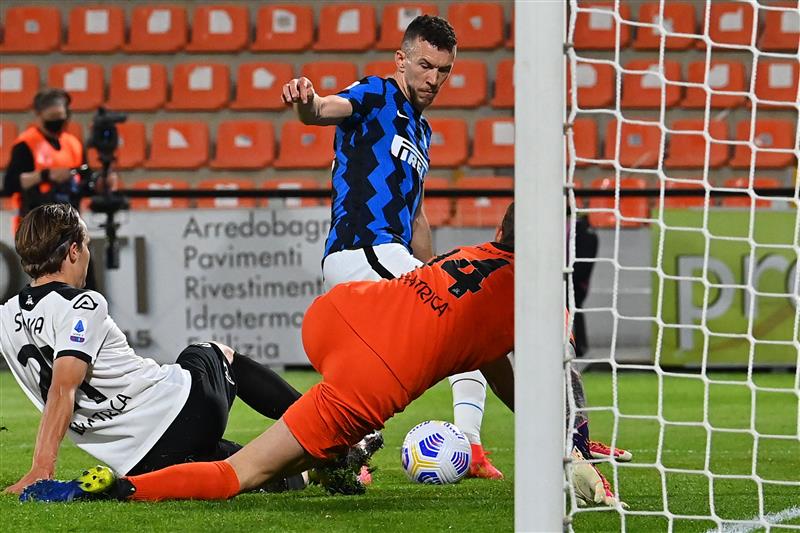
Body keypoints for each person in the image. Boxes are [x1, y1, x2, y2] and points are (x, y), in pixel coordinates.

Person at [20, 203, 626, 509]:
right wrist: (566, 447)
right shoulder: (540, 292)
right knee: (240, 473)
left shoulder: (473, 252)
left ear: (500, 232)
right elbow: (549, 379)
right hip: (373, 377)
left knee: (265, 459)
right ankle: (114, 491)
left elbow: (490, 354)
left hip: (337, 314)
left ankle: (325, 460)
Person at [280, 14, 502, 479]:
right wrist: (307, 102)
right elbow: (323, 110)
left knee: (371, 380)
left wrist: (433, 269)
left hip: (384, 257)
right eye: (425, 66)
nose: (433, 79)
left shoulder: (422, 132)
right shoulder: (377, 93)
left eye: (444, 71)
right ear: (401, 60)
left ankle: (329, 458)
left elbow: (416, 215)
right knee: (465, 323)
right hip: (363, 250)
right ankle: (474, 450)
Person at [0, 204, 306, 495]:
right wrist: (42, 468)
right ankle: (324, 427)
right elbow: (62, 387)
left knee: (235, 468)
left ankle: (312, 469)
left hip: (142, 463)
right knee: (214, 351)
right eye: (87, 245)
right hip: (186, 411)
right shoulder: (82, 303)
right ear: (74, 250)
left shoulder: (5, 317)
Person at [2, 88, 107, 290]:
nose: (58, 122)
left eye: (61, 117)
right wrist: (46, 175)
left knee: (84, 285)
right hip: (40, 230)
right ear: (40, 115)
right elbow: (11, 183)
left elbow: (84, 182)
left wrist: (99, 184)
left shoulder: (73, 144)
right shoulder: (27, 144)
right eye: (52, 118)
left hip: (71, 226)